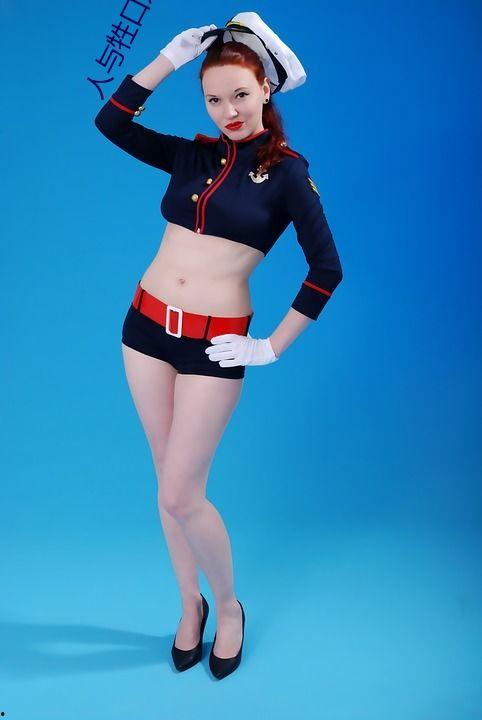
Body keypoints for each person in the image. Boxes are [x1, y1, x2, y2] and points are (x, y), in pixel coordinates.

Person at [93, 13, 343, 680]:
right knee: (164, 478)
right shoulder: (193, 155)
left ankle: (228, 607)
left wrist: (271, 348)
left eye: (239, 94)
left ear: (265, 90)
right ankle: (189, 604)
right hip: (144, 330)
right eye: (213, 98)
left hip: (214, 347)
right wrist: (168, 58)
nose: (228, 111)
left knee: (183, 492)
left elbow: (326, 269)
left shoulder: (288, 174)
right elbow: (111, 122)